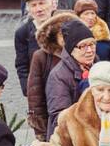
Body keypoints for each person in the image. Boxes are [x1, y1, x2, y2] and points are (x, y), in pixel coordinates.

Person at [44, 20, 98, 146]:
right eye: (82, 46)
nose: (89, 50)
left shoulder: (98, 67)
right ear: (70, 50)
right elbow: (60, 116)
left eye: (92, 44)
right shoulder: (59, 75)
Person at [26, 11, 76, 139]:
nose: (65, 38)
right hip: (51, 118)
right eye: (61, 34)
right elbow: (35, 93)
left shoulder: (83, 53)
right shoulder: (41, 56)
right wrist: (40, 127)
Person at [14, 0, 55, 97]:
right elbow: (22, 65)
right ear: (29, 9)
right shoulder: (22, 32)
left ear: (51, 4)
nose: (38, 9)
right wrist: (29, 90)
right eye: (33, 5)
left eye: (42, 3)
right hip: (38, 89)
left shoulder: (63, 26)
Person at [74, 0, 110, 65]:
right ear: (78, 16)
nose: (90, 17)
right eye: (86, 14)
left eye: (92, 13)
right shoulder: (72, 34)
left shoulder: (103, 34)